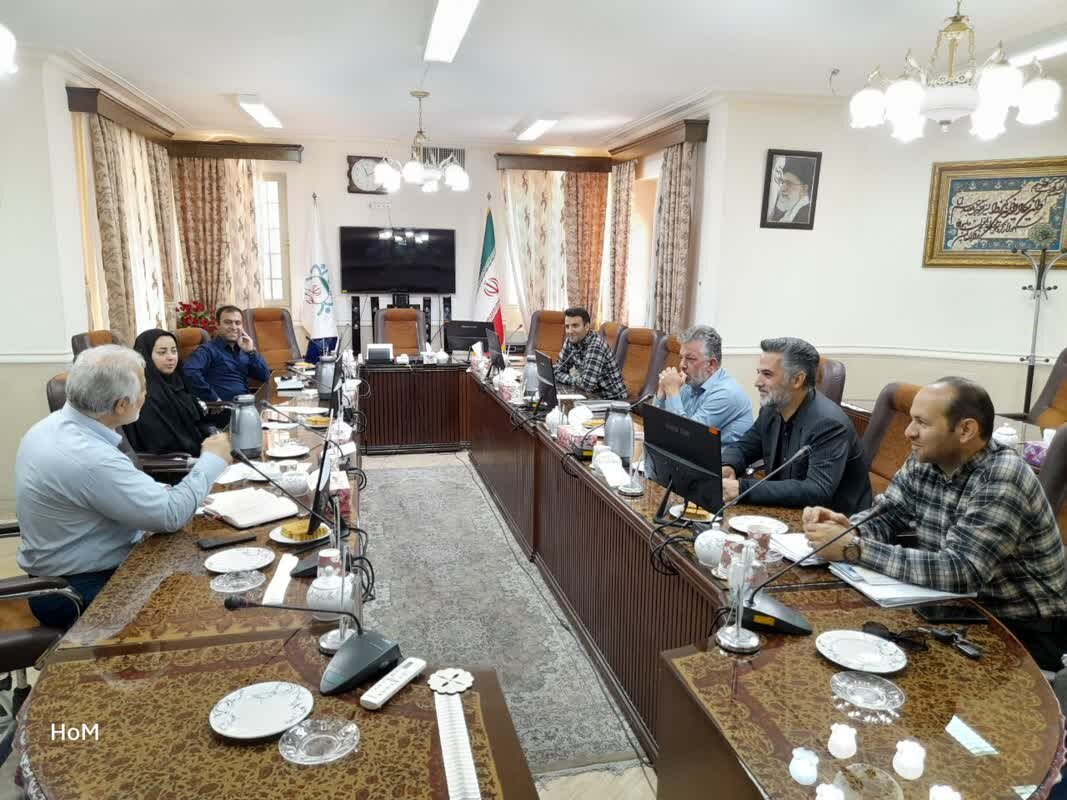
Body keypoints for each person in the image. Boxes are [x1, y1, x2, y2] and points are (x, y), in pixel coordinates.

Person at [804, 377, 1067, 671]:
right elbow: (888, 515)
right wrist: (847, 530)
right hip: (955, 607)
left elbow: (962, 571)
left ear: (966, 430)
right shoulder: (926, 458)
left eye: (922, 422)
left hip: (1022, 629)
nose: (908, 431)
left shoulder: (1002, 476)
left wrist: (854, 548)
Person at [15, 345, 232, 628]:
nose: (146, 394)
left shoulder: (53, 426)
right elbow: (169, 517)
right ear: (121, 405)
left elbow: (104, 491)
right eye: (143, 387)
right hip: (77, 589)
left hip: (71, 571)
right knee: (207, 600)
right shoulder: (88, 456)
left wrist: (163, 493)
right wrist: (212, 460)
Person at [720, 337, 871, 514]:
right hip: (784, 510)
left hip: (833, 521)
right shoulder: (771, 409)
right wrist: (729, 466)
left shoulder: (829, 424)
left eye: (767, 374)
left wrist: (742, 488)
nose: (757, 382)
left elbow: (816, 490)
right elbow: (744, 447)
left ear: (797, 380)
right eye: (758, 372)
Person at [653, 325, 752, 445]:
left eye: (690, 358)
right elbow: (657, 431)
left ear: (711, 364)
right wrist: (661, 394)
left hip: (720, 457)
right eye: (681, 358)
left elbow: (685, 438)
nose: (682, 365)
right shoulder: (689, 383)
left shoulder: (727, 394)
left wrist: (672, 392)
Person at [123, 329, 213, 456]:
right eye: (162, 352)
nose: (171, 357)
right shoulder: (145, 395)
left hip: (199, 453)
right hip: (173, 463)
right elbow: (162, 443)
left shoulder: (179, 382)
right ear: (145, 356)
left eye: (174, 351)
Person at [184, 305, 269, 402]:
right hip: (224, 407)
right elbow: (189, 372)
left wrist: (251, 351)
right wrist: (213, 399)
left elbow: (265, 376)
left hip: (246, 404)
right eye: (228, 322)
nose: (234, 327)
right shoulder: (207, 350)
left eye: (238, 323)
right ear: (217, 325)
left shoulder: (244, 350)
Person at [552, 307, 628, 400]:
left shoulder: (595, 346)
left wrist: (570, 378)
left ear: (587, 327)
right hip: (592, 394)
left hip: (612, 399)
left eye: (575, 326)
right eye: (567, 327)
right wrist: (576, 379)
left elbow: (586, 385)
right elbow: (557, 370)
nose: (570, 331)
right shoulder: (571, 340)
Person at [768, 157, 813, 224]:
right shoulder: (789, 214)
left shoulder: (804, 217)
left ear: (804, 189)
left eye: (789, 183)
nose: (782, 188)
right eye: (782, 182)